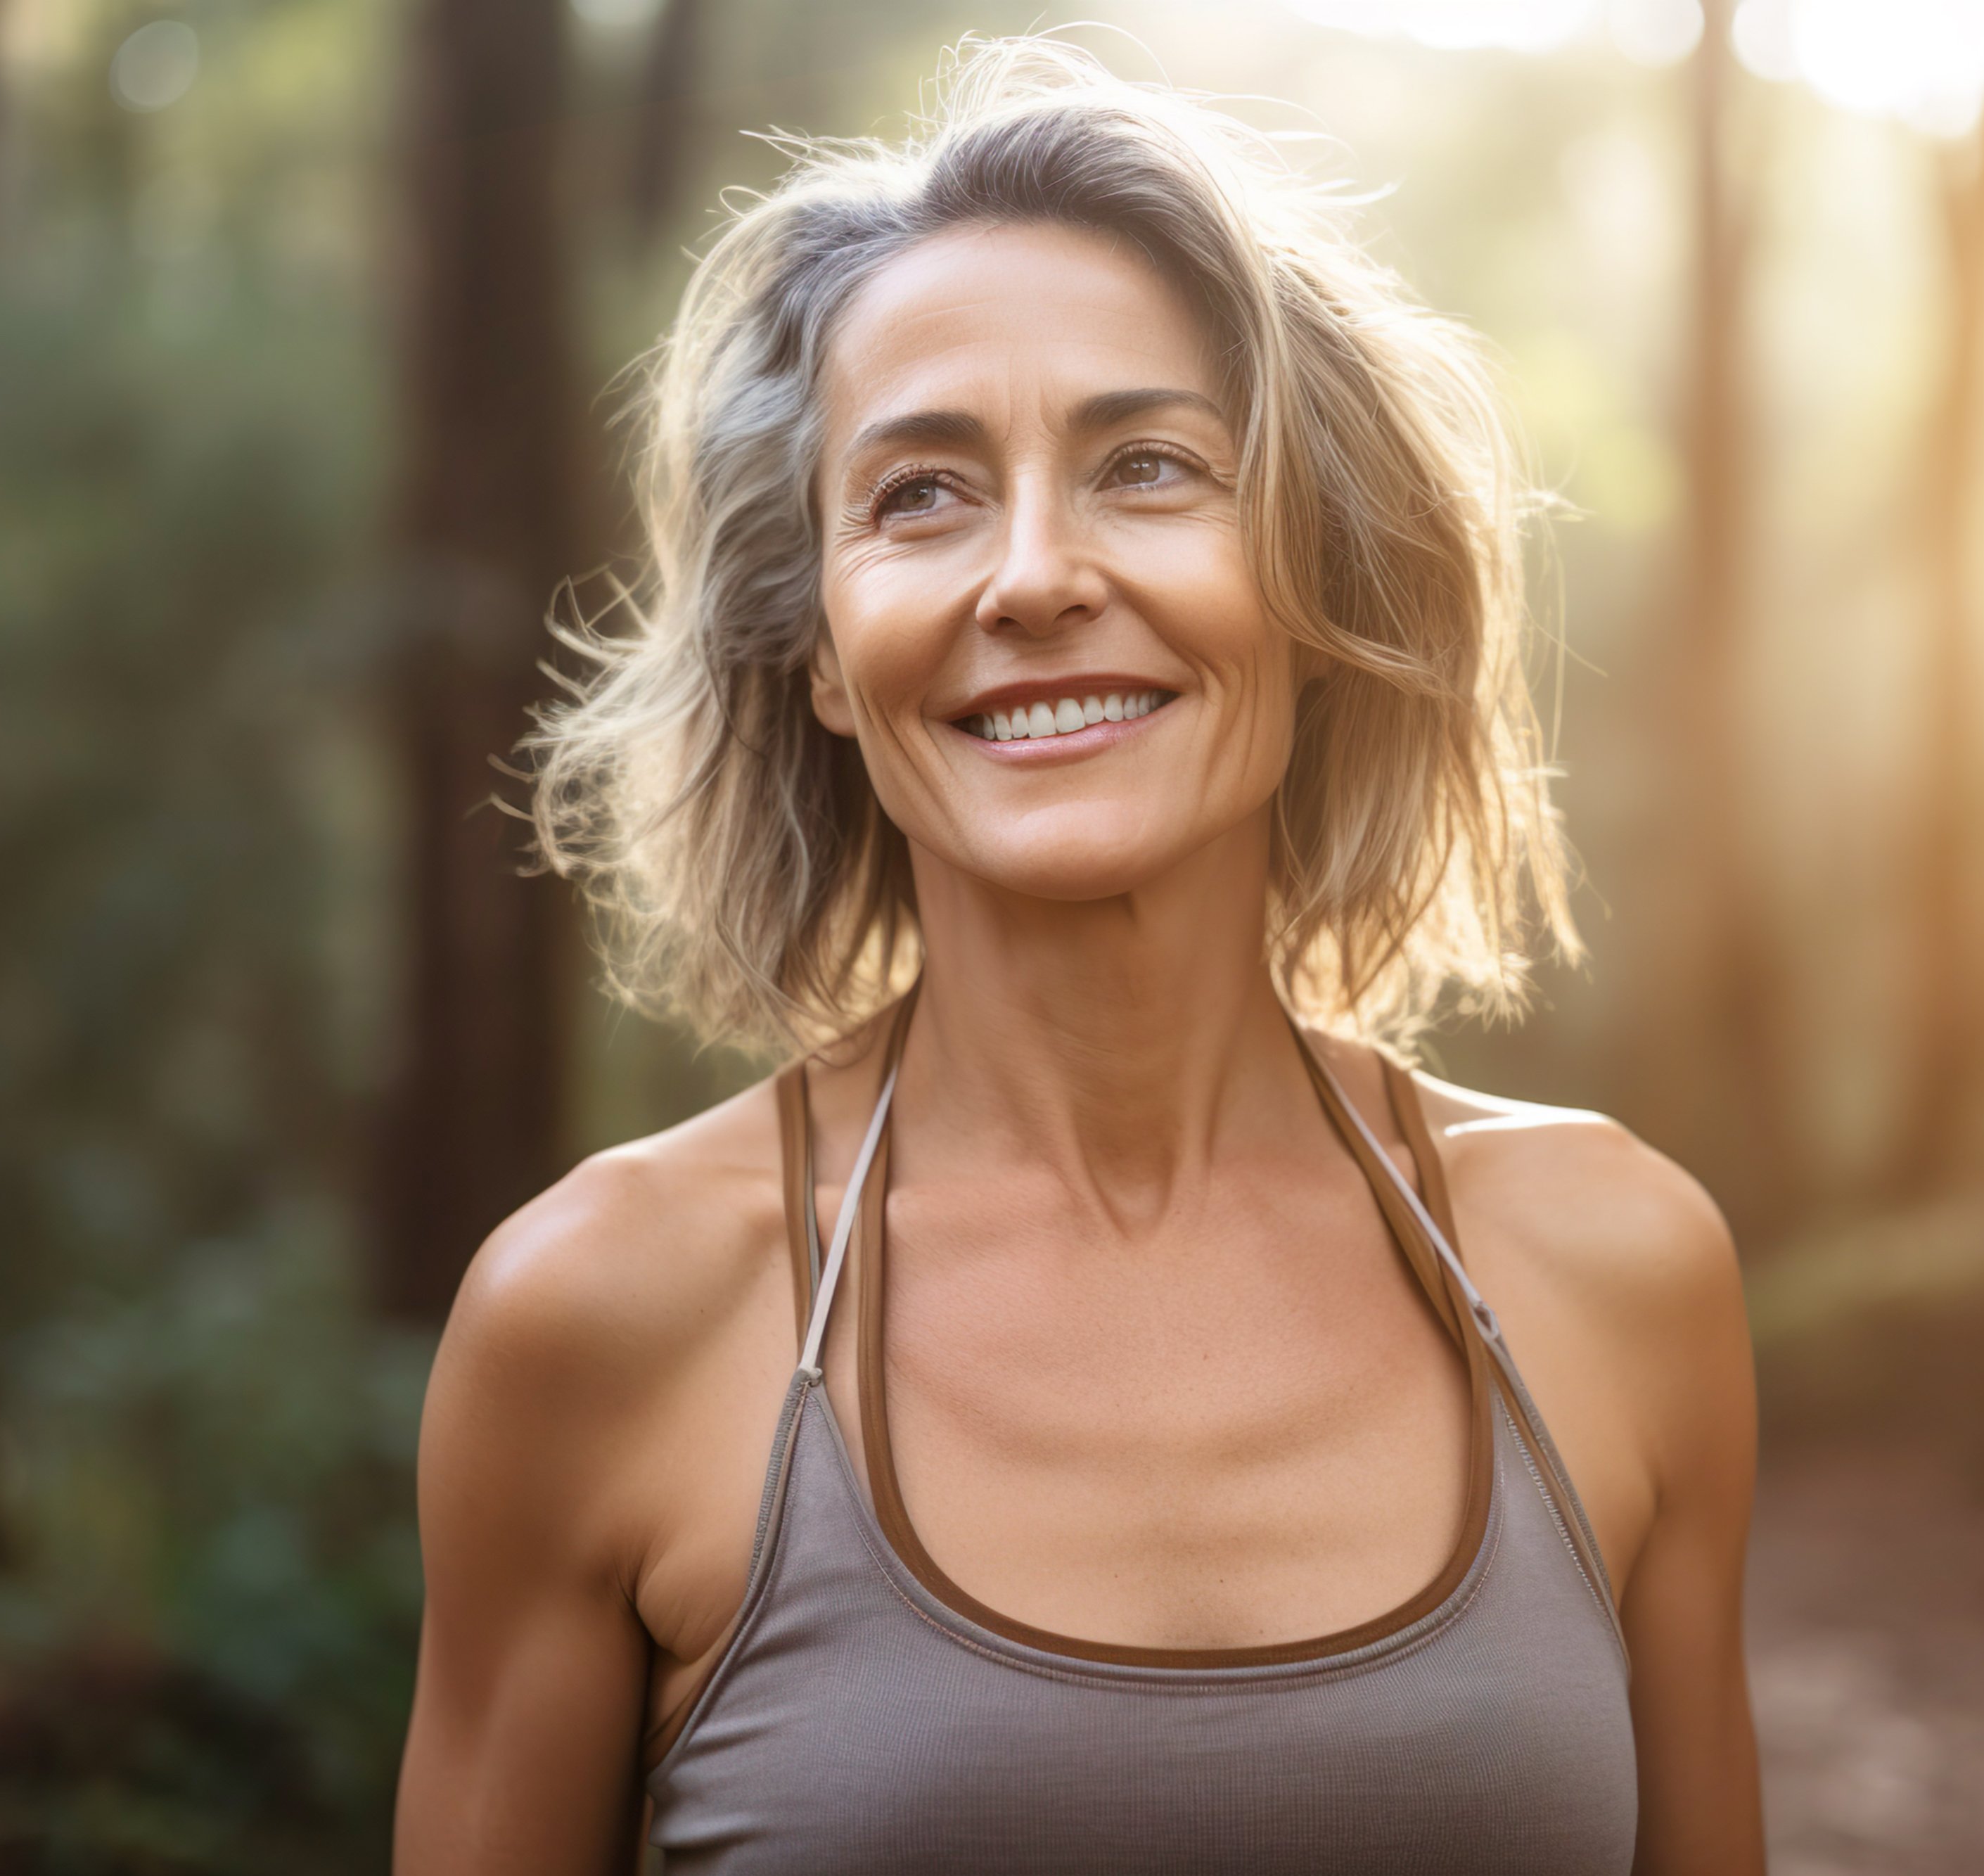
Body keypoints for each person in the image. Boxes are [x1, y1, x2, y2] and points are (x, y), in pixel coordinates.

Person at [395, 39, 1762, 1875]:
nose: (1032, 573)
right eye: (922, 494)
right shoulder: (599, 1317)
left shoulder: (1616, 1267)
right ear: (818, 643)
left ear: (1313, 575)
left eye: (1148, 467)